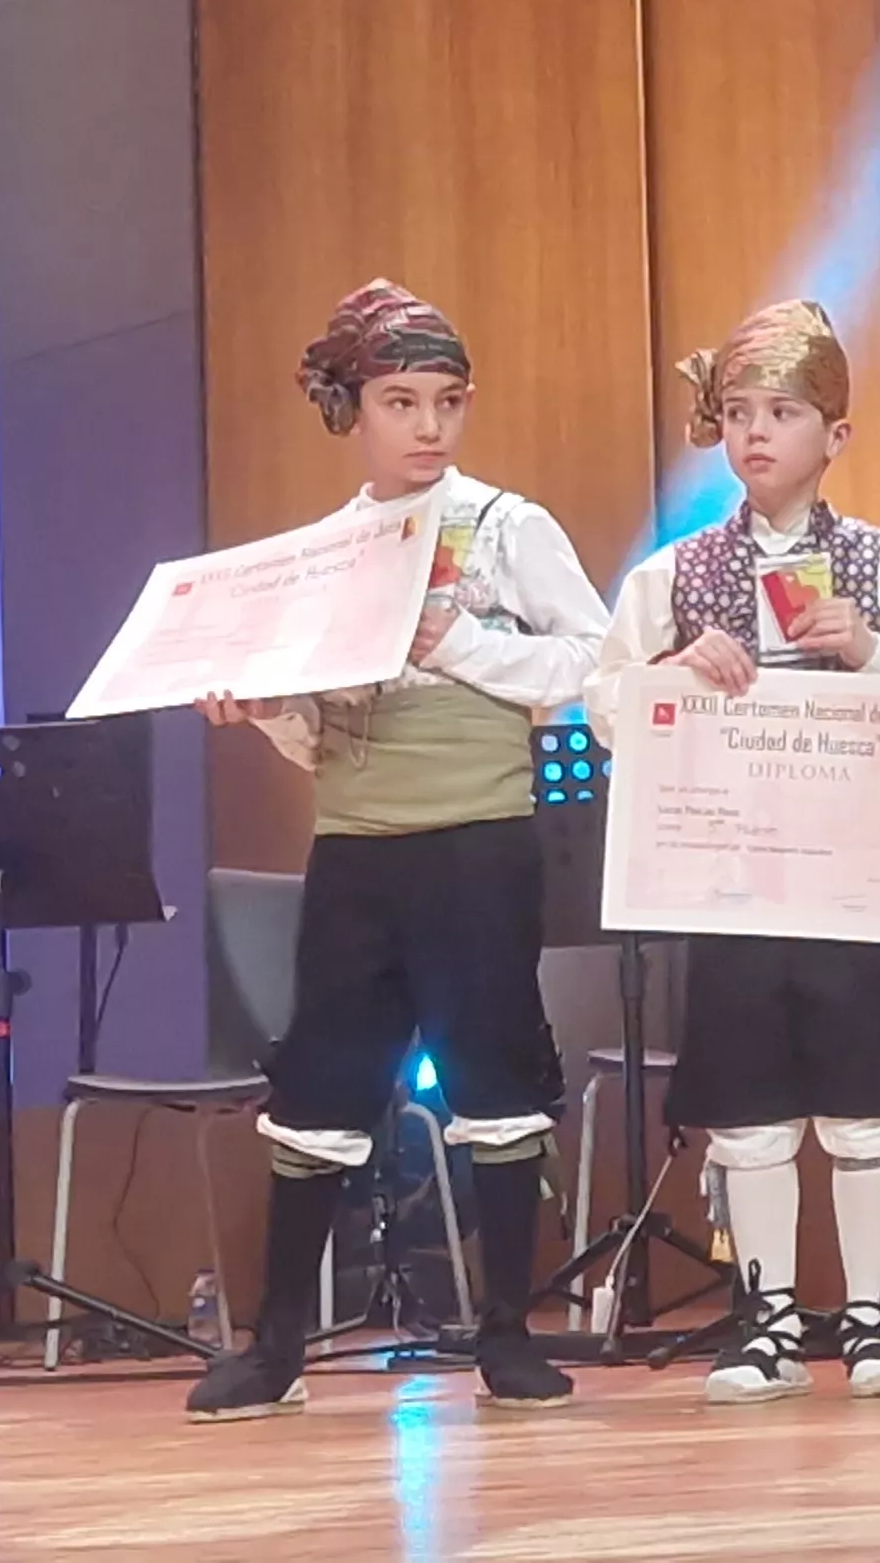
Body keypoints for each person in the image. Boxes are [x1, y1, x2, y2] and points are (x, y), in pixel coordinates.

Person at [186, 279, 610, 1421]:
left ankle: (507, 1337)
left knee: (494, 1078)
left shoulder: (508, 527)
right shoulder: (325, 553)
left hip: (479, 843)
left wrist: (457, 640)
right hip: (357, 852)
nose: (428, 426)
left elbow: (592, 661)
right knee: (322, 1084)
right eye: (401, 401)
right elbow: (318, 738)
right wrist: (262, 709)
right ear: (354, 411)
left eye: (448, 401)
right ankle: (277, 1347)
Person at [584, 301, 880, 1401]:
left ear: (836, 435)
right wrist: (674, 670)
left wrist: (871, 650)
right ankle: (763, 1318)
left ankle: (869, 1315)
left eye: (784, 412)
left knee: (864, 1097)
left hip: (855, 880)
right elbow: (606, 705)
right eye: (740, 413)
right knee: (750, 1103)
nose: (757, 432)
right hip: (732, 879)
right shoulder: (674, 576)